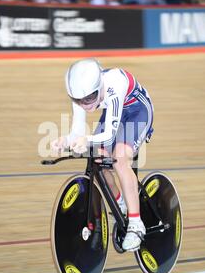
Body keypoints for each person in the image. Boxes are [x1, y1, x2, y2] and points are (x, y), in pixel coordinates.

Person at [51, 58, 154, 251]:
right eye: (78, 100)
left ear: (99, 88)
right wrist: (64, 140)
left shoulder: (114, 86)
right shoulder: (81, 95)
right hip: (115, 113)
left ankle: (136, 224)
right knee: (99, 157)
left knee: (120, 158)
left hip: (137, 111)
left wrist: (87, 140)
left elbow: (110, 134)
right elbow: (77, 132)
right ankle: (121, 205)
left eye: (89, 99)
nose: (84, 105)